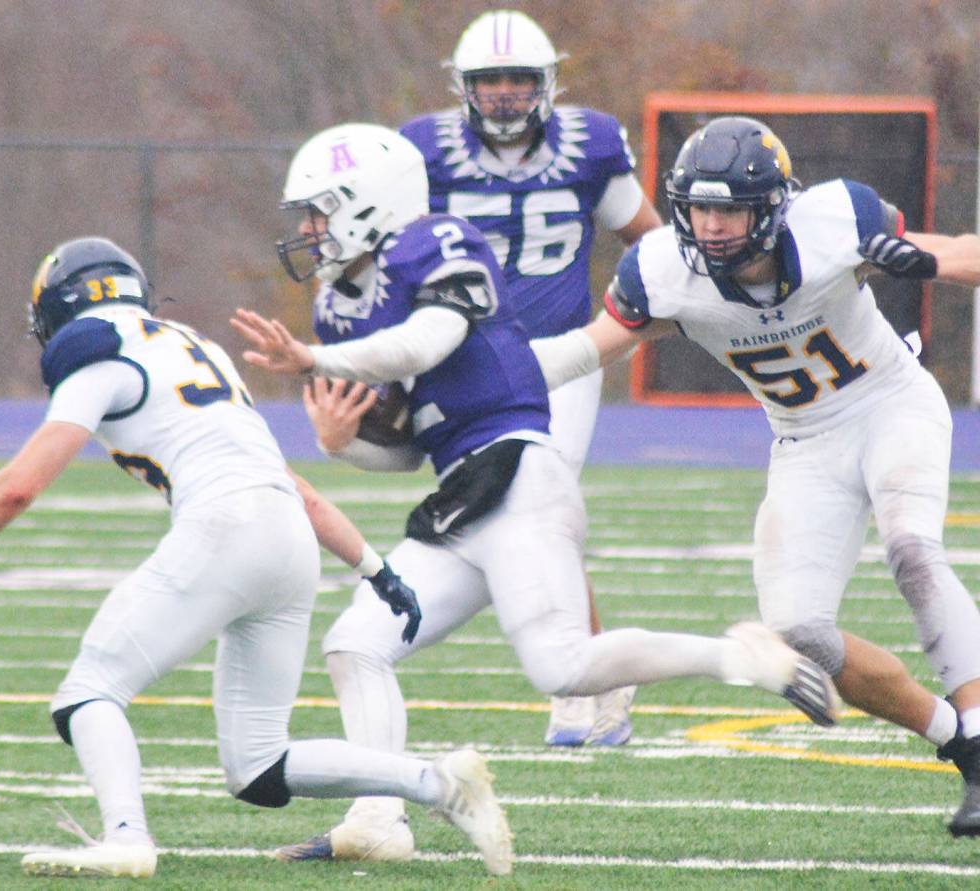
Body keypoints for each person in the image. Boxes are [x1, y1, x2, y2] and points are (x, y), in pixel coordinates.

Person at [231, 121, 838, 865]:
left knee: (563, 666)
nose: (308, 230)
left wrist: (316, 358)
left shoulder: (436, 241)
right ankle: (380, 818)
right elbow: (405, 448)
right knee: (356, 644)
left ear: (366, 204)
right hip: (462, 491)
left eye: (319, 210)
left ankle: (740, 656)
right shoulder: (341, 308)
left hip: (518, 475)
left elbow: (430, 340)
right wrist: (339, 442)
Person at [0, 236, 514, 878]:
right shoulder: (192, 347)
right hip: (284, 535)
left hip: (226, 524)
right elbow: (292, 486)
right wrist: (376, 569)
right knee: (257, 765)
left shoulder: (93, 348)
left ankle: (127, 838)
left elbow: (21, 485)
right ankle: (440, 784)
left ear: (58, 306)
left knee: (88, 693)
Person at [530, 115, 980, 837]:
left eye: (730, 208)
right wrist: (477, 373)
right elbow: (587, 350)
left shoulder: (834, 219)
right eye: (700, 208)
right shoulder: (662, 271)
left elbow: (962, 252)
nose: (711, 226)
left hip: (892, 403)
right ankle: (958, 741)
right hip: (802, 441)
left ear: (771, 205)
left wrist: (921, 262)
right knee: (798, 630)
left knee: (912, 549)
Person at [398, 8, 664, 749]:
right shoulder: (424, 152)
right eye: (491, 80)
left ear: (548, 83)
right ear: (464, 87)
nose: (508, 93)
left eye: (520, 78)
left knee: (537, 505)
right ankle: (603, 670)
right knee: (529, 514)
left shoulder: (589, 146)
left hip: (563, 353)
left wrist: (644, 311)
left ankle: (585, 678)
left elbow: (648, 240)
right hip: (467, 362)